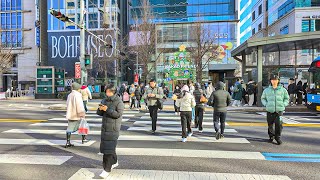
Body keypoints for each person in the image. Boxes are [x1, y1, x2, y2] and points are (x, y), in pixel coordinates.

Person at [97, 84, 124, 178]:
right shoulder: (104, 100)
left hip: (113, 128)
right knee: (108, 147)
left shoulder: (118, 101)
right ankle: (115, 161)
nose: (107, 93)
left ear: (114, 92)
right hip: (105, 127)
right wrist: (100, 109)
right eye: (106, 91)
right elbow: (99, 113)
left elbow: (118, 114)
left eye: (109, 91)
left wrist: (107, 109)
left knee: (108, 150)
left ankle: (106, 169)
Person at [261, 75, 289, 145]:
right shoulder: (266, 90)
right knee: (270, 124)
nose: (274, 81)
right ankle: (271, 136)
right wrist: (266, 104)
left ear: (278, 81)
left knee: (279, 125)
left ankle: (277, 137)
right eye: (272, 80)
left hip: (279, 110)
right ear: (270, 81)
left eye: (275, 80)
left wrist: (284, 104)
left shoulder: (283, 90)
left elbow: (286, 98)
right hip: (270, 110)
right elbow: (263, 98)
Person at [65, 82, 86, 148]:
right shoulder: (78, 95)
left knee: (69, 128)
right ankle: (83, 140)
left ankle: (68, 142)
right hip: (77, 115)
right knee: (82, 126)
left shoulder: (70, 95)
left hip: (70, 114)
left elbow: (67, 104)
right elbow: (79, 106)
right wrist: (82, 114)